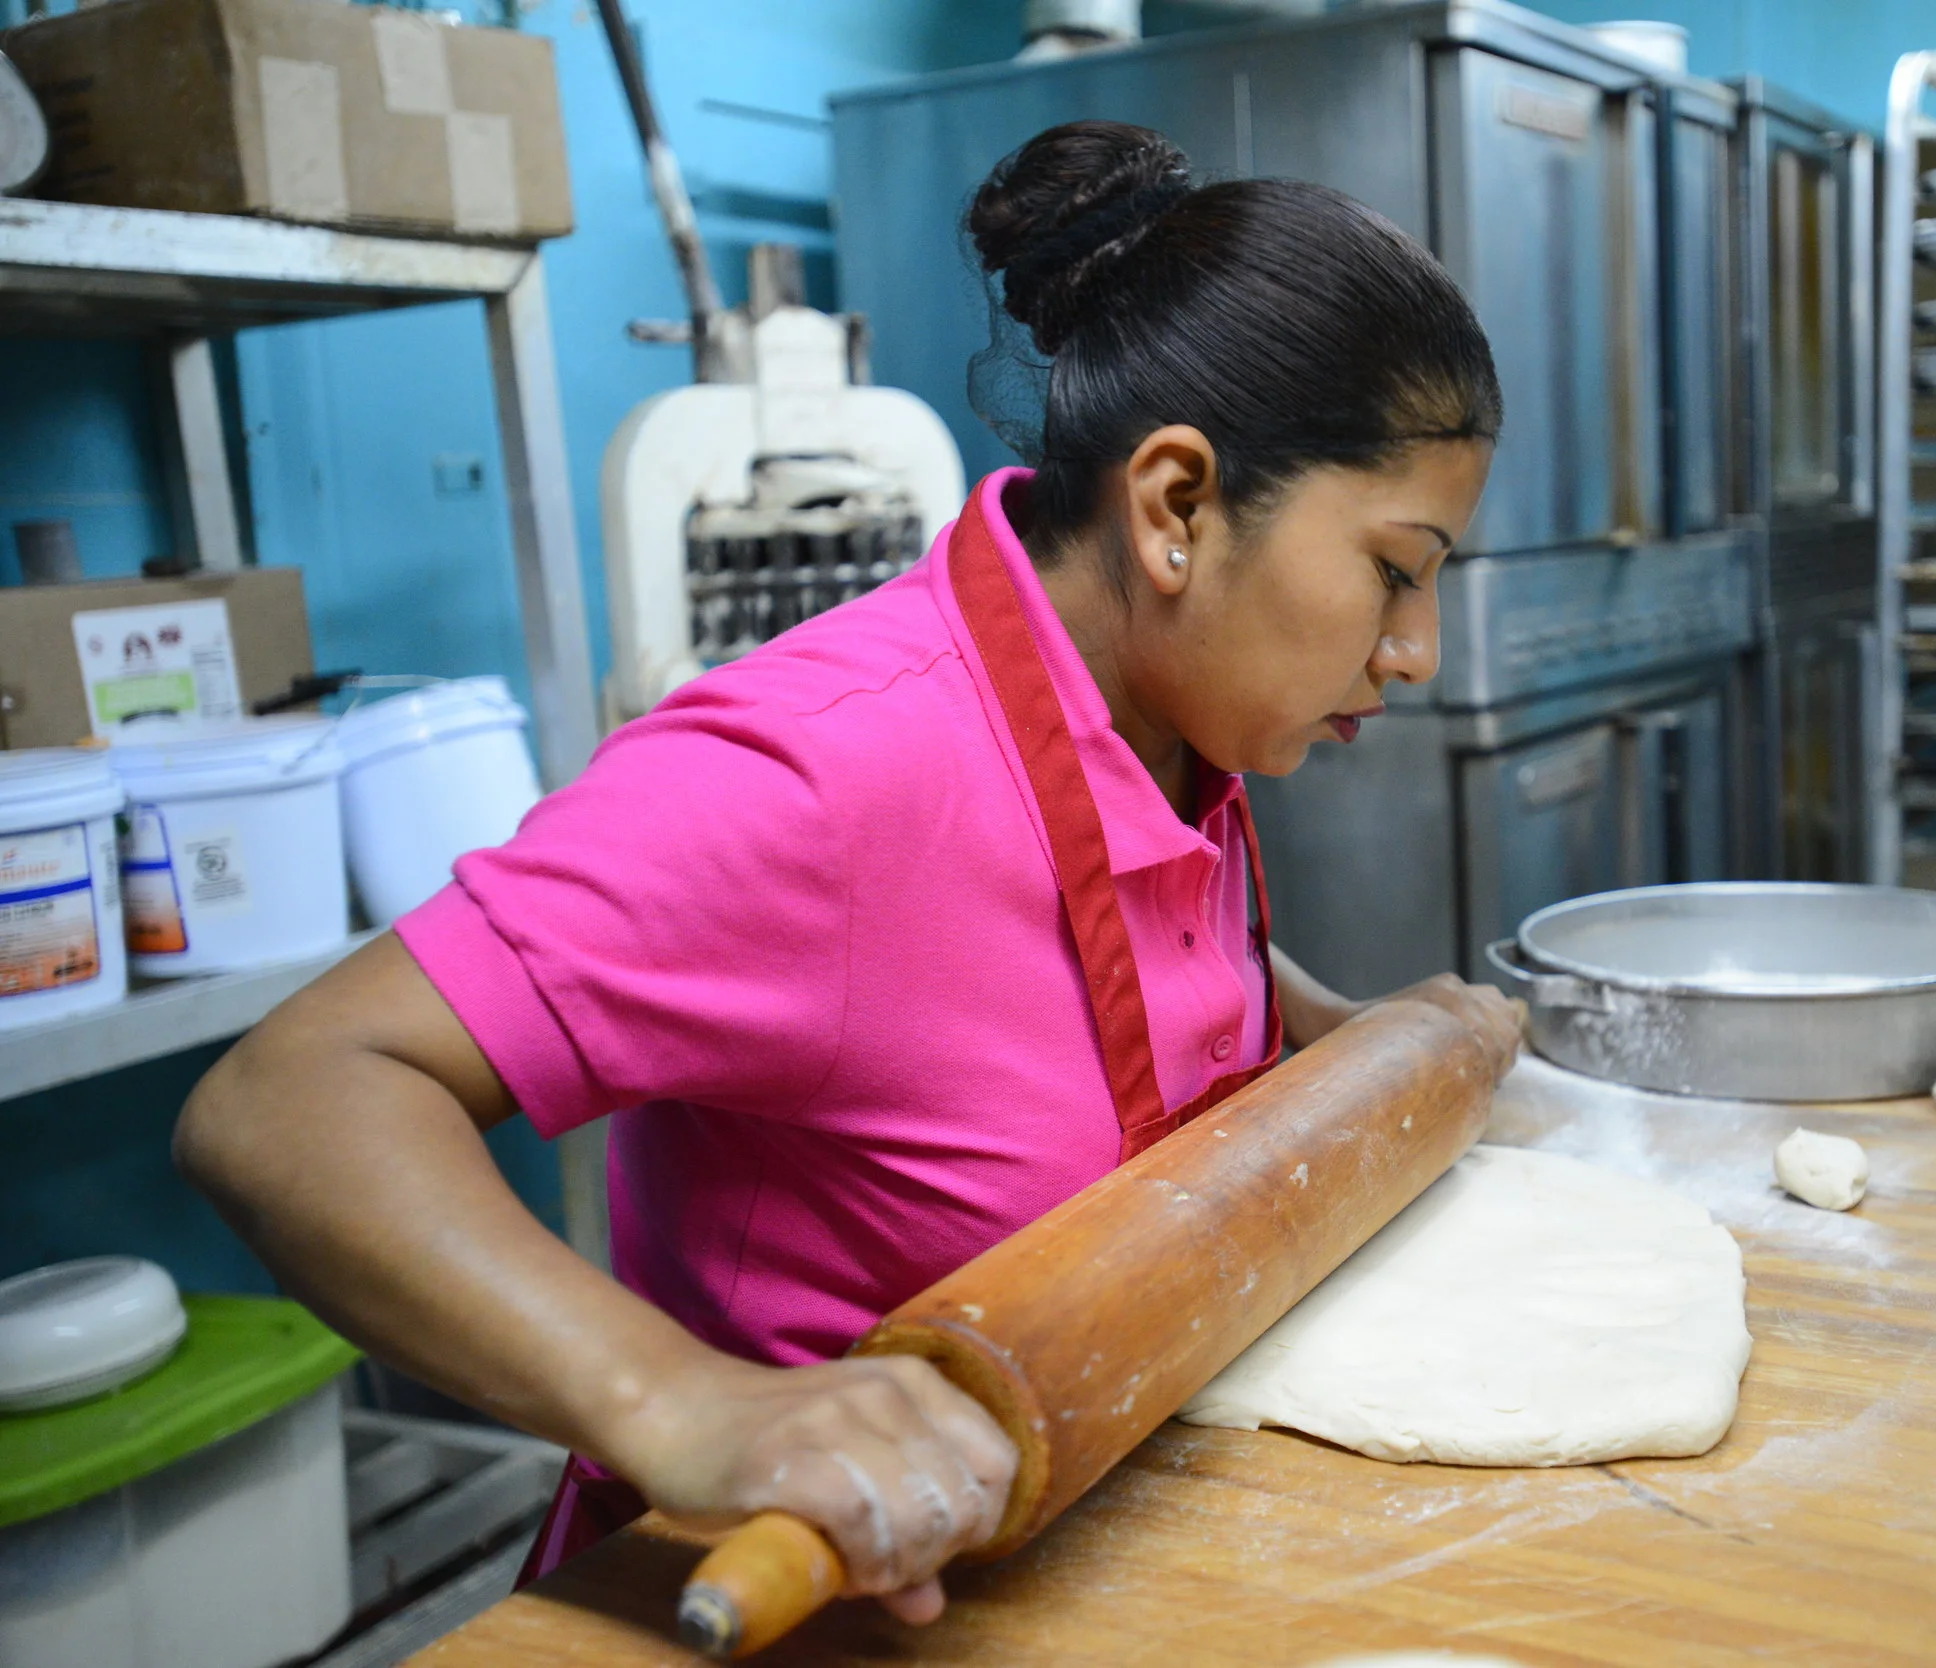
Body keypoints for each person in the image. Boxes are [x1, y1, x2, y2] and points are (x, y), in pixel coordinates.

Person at [174, 119, 1520, 1623]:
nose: (1415, 653)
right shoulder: (824, 777)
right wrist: (685, 1405)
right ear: (1176, 508)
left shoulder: (1169, 721)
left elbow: (1066, 971)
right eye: (1397, 573)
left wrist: (1366, 1044)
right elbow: (289, 1100)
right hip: (803, 1599)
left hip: (1075, 1562)